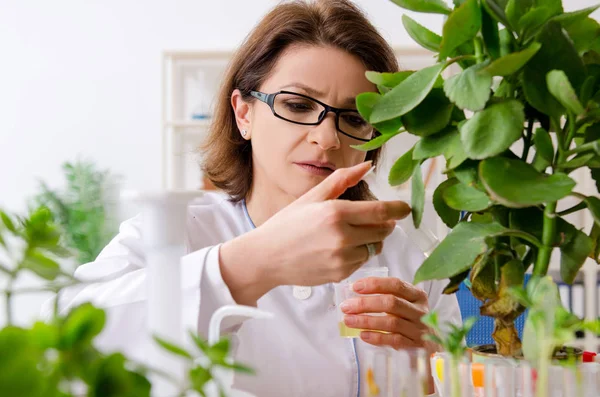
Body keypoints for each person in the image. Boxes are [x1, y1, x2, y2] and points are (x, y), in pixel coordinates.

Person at [52, 1, 461, 395]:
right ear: (244, 113)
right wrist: (254, 263)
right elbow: (67, 333)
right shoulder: (179, 230)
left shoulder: (411, 258)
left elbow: (460, 383)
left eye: (354, 118)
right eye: (298, 105)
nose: (327, 137)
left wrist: (430, 366)